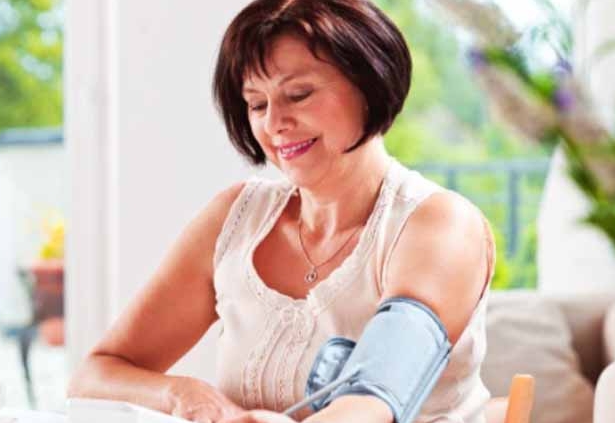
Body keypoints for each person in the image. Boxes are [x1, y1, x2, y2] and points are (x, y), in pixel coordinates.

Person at [68, 1, 495, 422]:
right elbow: (95, 374)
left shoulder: (439, 225)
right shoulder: (237, 220)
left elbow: (375, 398)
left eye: (299, 94)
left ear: (369, 85)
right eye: (256, 104)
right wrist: (182, 393)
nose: (274, 123)